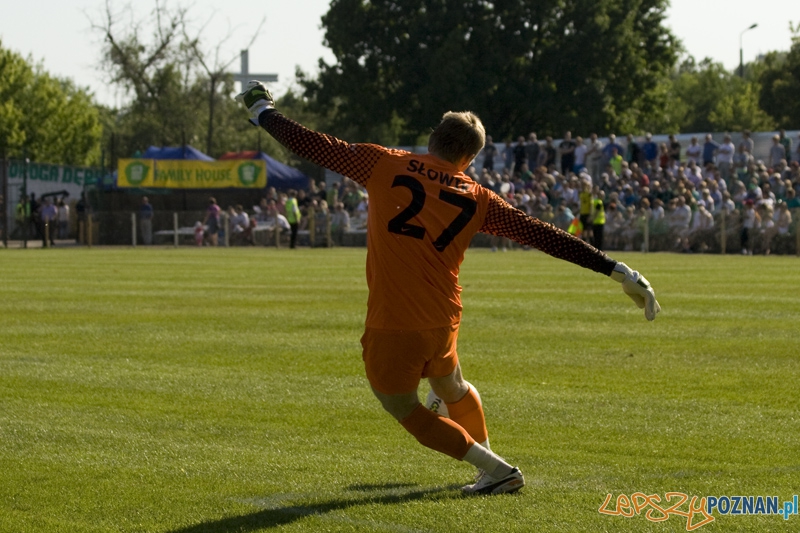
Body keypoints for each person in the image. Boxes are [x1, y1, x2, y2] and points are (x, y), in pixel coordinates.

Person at [236, 80, 661, 495]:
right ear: (469, 160)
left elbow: (311, 144)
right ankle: (490, 465)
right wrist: (616, 270)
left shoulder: (384, 163)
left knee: (402, 406)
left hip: (395, 320)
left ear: (432, 138)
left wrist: (263, 112)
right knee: (450, 387)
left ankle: (496, 468)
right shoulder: (479, 198)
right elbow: (544, 235)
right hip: (443, 318)